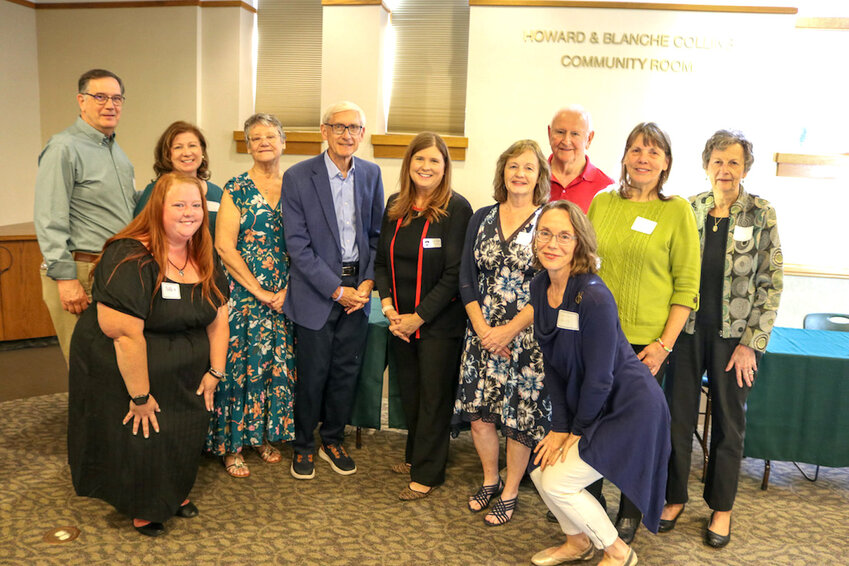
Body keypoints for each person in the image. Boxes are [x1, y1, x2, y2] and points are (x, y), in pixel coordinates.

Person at [68, 173, 229, 537]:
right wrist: (139, 396)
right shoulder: (128, 255)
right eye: (179, 204)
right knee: (146, 428)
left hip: (186, 368)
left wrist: (215, 371)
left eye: (196, 205)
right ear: (157, 208)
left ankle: (174, 493)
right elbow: (126, 336)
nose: (190, 213)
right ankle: (145, 504)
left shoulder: (202, 251)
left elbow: (219, 319)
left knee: (186, 427)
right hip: (128, 362)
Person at [528, 200, 670, 566]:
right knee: (542, 473)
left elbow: (600, 378)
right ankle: (576, 543)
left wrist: (576, 431)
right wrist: (559, 428)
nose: (552, 243)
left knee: (559, 481)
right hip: (597, 404)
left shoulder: (593, 294)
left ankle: (618, 552)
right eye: (545, 233)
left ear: (579, 243)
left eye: (564, 236)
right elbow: (553, 365)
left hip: (630, 408)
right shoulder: (540, 285)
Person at [659, 130, 783, 548]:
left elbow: (771, 283)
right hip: (687, 333)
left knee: (730, 423)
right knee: (676, 419)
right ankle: (674, 496)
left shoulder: (761, 214)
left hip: (735, 341)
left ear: (745, 167)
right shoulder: (688, 209)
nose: (724, 170)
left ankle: (722, 506)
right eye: (717, 161)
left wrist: (752, 343)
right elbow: (670, 270)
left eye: (733, 162)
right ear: (706, 164)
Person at [587, 122, 700, 544]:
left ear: (666, 163)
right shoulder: (601, 203)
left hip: (647, 343)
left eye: (653, 152)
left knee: (634, 428)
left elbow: (687, 286)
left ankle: (629, 510)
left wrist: (664, 345)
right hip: (597, 336)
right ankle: (589, 505)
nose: (643, 158)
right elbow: (586, 265)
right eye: (636, 150)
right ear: (624, 157)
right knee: (592, 420)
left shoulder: (677, 212)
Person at [281, 101, 384, 480]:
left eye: (354, 128)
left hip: (358, 290)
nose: (347, 134)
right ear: (324, 131)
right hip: (315, 291)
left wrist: (367, 283)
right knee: (313, 372)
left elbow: (377, 237)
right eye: (339, 127)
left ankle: (333, 438)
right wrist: (336, 291)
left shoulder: (371, 174)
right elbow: (298, 247)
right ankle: (304, 444)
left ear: (362, 133)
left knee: (346, 370)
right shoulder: (298, 176)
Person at [453, 140, 550, 526]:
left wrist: (507, 332)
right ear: (503, 172)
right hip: (480, 334)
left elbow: (549, 285)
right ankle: (490, 480)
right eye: (513, 166)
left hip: (526, 337)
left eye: (528, 167)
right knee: (480, 416)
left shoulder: (549, 220)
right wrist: (483, 330)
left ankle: (511, 491)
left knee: (518, 420)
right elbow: (466, 276)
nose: (519, 174)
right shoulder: (481, 216)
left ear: (540, 175)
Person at [374, 133, 472, 500]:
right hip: (399, 322)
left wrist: (419, 317)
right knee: (412, 394)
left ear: (445, 167)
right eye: (420, 160)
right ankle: (417, 456)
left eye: (434, 161)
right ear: (409, 163)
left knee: (434, 398)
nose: (426, 167)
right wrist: (389, 310)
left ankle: (429, 472)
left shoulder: (456, 209)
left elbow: (454, 274)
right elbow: (382, 262)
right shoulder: (396, 205)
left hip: (439, 325)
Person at [205, 114, 297, 477]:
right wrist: (259, 290)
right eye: (254, 137)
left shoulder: (297, 186)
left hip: (285, 296)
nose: (263, 142)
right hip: (244, 295)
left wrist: (286, 290)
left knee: (273, 366)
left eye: (270, 136)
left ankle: (262, 435)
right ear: (247, 145)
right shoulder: (236, 188)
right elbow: (224, 246)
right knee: (237, 367)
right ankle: (231, 446)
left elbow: (307, 245)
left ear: (283, 141)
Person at [34, 68, 136, 364]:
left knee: (109, 364)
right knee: (85, 364)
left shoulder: (115, 151)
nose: (110, 105)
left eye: (117, 98)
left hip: (111, 268)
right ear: (81, 101)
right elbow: (49, 216)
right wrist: (65, 279)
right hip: (80, 270)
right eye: (100, 97)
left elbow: (126, 206)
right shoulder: (64, 147)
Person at [134, 121, 223, 238]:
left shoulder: (217, 193)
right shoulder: (155, 191)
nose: (186, 153)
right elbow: (139, 235)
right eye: (178, 147)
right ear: (167, 154)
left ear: (202, 151)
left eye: (192, 145)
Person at [547, 105, 613, 211]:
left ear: (589, 139)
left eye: (575, 134)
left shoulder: (607, 189)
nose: (566, 141)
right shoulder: (531, 179)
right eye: (560, 132)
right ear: (549, 133)